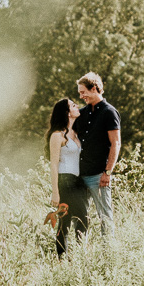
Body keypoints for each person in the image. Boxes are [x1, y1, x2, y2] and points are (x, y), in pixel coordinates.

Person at [75, 72, 121, 236]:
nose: (81, 96)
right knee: (80, 218)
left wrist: (107, 172)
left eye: (83, 92)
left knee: (105, 217)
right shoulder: (80, 113)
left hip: (99, 175)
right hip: (79, 175)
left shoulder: (109, 112)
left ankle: (109, 256)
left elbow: (116, 143)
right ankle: (81, 255)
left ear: (94, 88)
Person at [47, 98, 88, 256]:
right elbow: (54, 164)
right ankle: (76, 255)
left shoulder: (75, 133)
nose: (77, 106)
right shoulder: (57, 136)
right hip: (65, 182)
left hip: (77, 182)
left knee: (66, 222)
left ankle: (65, 257)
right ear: (66, 113)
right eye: (73, 105)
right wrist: (55, 192)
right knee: (81, 219)